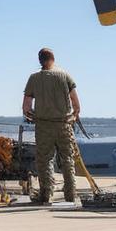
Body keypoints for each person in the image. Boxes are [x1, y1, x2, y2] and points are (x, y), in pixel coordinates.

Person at [21, 47, 80, 204]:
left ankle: (46, 193)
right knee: (67, 159)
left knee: (45, 160)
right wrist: (73, 116)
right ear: (53, 58)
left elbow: (26, 107)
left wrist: (34, 116)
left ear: (40, 60)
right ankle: (70, 194)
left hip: (43, 125)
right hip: (64, 125)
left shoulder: (34, 78)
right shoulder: (65, 75)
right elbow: (75, 102)